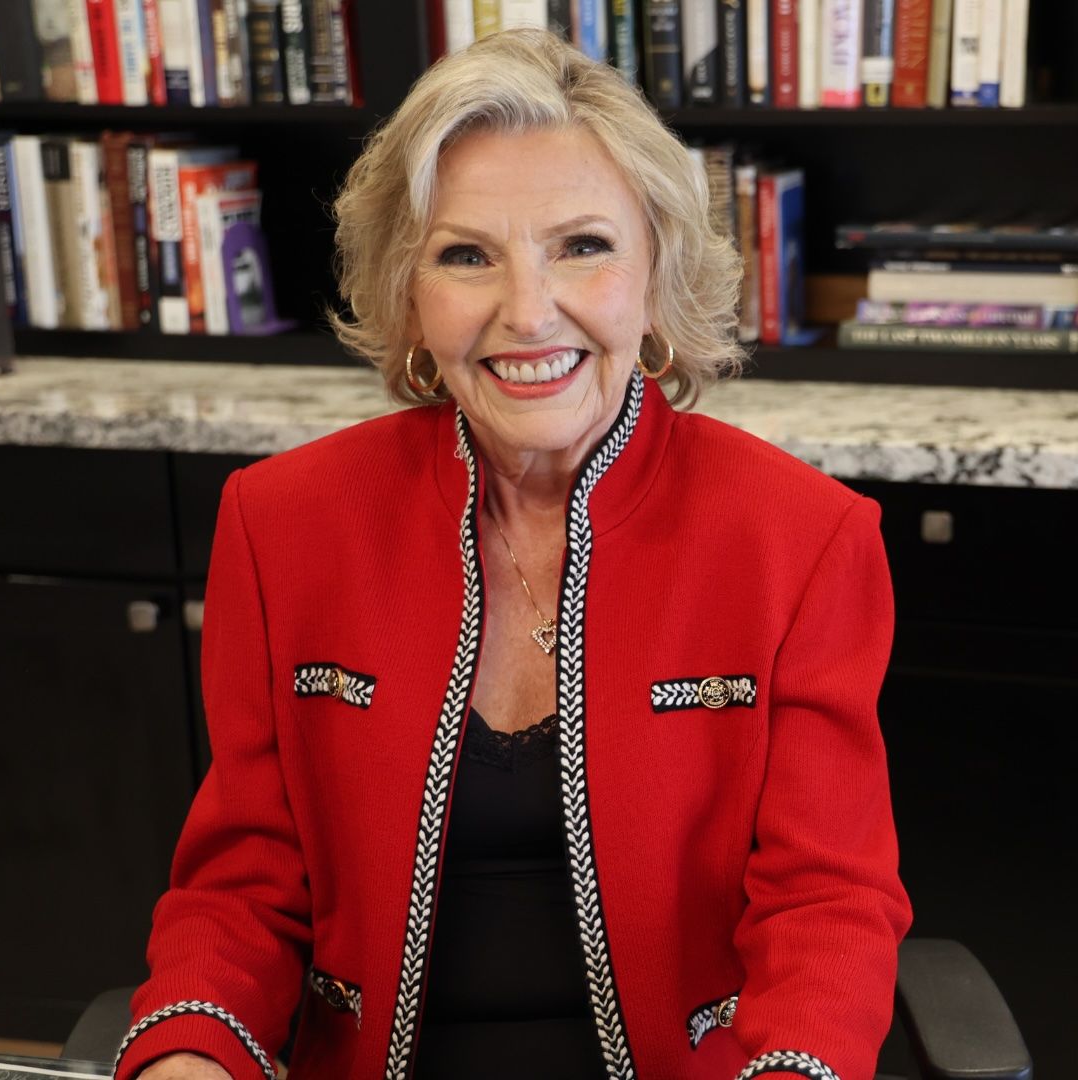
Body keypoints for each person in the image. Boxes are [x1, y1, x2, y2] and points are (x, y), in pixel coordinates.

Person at [117, 27, 909, 1080]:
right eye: (467, 255)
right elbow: (241, 889)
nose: (528, 312)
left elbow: (826, 904)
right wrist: (189, 1055)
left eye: (582, 246)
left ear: (656, 273)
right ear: (409, 294)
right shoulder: (283, 523)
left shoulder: (801, 538)